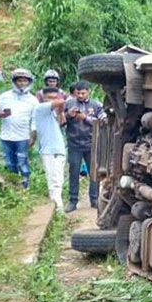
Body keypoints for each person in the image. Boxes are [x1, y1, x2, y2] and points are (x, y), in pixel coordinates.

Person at [0, 68, 39, 188]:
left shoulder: (33, 100)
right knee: (9, 163)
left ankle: (25, 186)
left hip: (23, 137)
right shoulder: (5, 96)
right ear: (14, 82)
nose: (22, 83)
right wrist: (0, 114)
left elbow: (35, 120)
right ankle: (13, 186)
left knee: (22, 162)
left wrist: (33, 136)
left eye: (24, 81)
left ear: (29, 82)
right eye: (19, 81)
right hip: (6, 136)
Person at [64, 80, 106, 212]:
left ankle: (94, 200)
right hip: (74, 144)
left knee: (94, 173)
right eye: (78, 93)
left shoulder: (96, 105)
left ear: (88, 91)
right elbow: (60, 120)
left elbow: (102, 122)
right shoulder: (69, 104)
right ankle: (72, 201)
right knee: (74, 172)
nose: (80, 95)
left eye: (83, 93)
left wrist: (84, 118)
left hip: (91, 144)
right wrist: (68, 115)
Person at [31, 87, 67, 212]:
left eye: (54, 97)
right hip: (51, 151)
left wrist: (60, 112)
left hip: (58, 151)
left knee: (59, 181)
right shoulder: (40, 109)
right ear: (43, 98)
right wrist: (61, 110)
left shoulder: (52, 112)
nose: (52, 100)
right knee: (55, 183)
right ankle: (58, 210)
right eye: (49, 98)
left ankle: (58, 208)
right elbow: (62, 102)